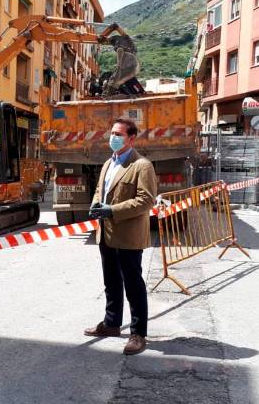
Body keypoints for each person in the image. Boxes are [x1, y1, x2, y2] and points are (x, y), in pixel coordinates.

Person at [85, 118, 157, 356]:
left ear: (131, 139)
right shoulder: (109, 163)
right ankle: (111, 324)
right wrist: (96, 204)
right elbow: (100, 189)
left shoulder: (142, 166)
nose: (113, 138)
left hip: (128, 236)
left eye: (118, 134)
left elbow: (145, 200)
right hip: (106, 234)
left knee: (133, 285)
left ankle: (138, 333)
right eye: (112, 133)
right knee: (111, 283)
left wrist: (112, 211)